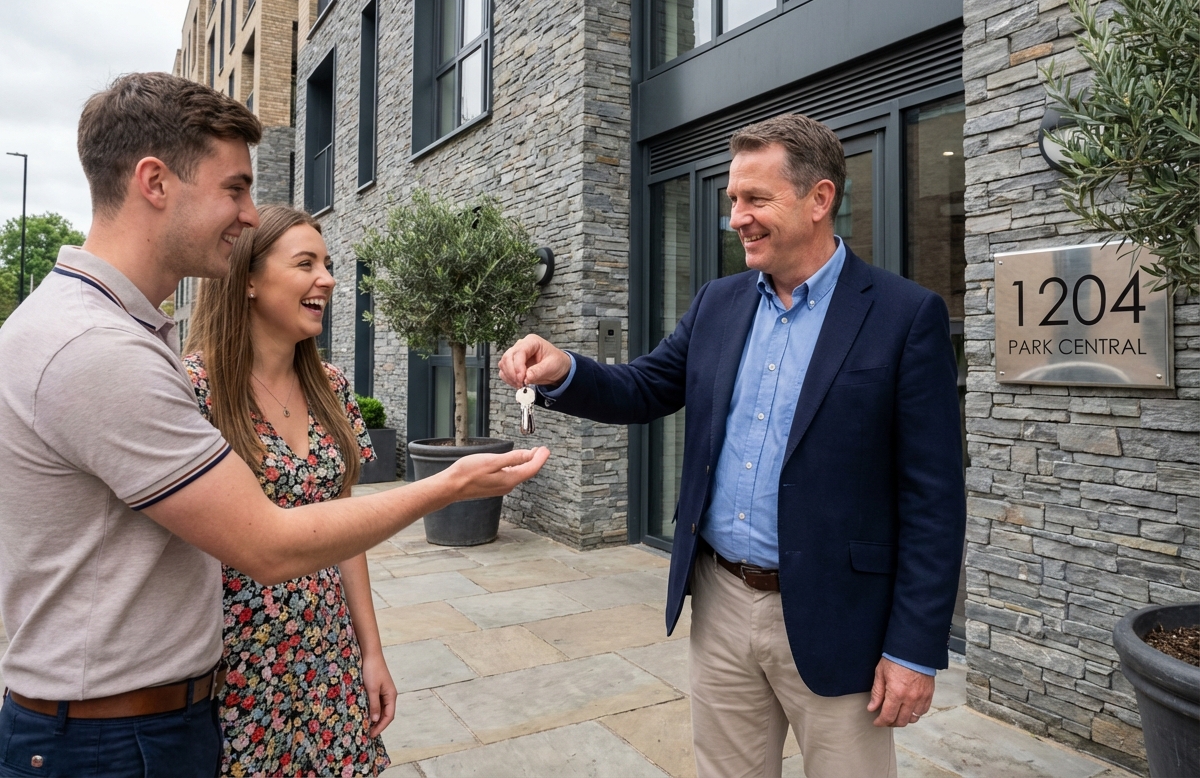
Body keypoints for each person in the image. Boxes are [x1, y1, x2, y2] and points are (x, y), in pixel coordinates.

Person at [0, 72, 548, 778]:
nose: (250, 213)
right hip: (123, 735)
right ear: (155, 182)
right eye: (235, 188)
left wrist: (364, 649)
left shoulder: (125, 336)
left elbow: (331, 519)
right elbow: (266, 544)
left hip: (184, 711)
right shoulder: (98, 350)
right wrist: (446, 485)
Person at [500, 113, 965, 778]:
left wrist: (914, 649)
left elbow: (934, 499)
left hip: (840, 615)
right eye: (732, 201)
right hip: (720, 601)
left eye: (755, 199)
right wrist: (563, 370)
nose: (737, 218)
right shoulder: (719, 303)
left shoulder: (902, 315)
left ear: (820, 199)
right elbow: (644, 388)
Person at [182, 205, 394, 775]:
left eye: (326, 264)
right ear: (247, 279)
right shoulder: (194, 392)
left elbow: (344, 531)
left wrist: (370, 650)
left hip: (328, 651)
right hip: (238, 664)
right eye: (306, 263)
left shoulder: (331, 386)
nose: (326, 279)